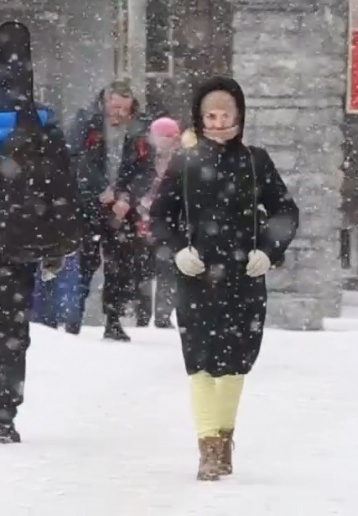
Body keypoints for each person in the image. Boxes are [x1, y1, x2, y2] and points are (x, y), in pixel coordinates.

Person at [150, 77, 299, 480]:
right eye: (210, 116)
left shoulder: (256, 161)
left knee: (235, 359)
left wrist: (269, 251)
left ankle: (224, 437)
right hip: (196, 276)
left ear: (239, 116)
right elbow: (161, 216)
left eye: (225, 115)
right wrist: (179, 249)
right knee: (199, 361)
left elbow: (285, 212)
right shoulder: (184, 163)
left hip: (243, 275)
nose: (218, 123)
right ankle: (209, 446)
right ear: (200, 118)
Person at [0, 83, 72, 443]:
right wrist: (56, 241)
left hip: (16, 239)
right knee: (11, 332)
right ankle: (4, 412)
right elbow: (60, 187)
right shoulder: (39, 121)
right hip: (18, 241)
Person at [67, 81, 154, 341]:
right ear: (105, 101)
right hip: (89, 205)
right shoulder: (86, 122)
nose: (118, 114)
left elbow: (146, 168)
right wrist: (99, 189)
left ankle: (113, 320)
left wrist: (126, 196)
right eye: (114, 107)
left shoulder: (140, 129)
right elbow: (77, 159)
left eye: (124, 109)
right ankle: (74, 319)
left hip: (122, 209)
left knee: (120, 265)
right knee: (85, 262)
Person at [135, 116, 182, 328]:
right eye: (162, 136)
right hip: (139, 217)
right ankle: (142, 314)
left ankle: (162, 315)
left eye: (170, 137)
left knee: (166, 267)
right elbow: (136, 182)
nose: (166, 141)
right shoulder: (142, 156)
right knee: (141, 269)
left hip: (166, 221)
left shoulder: (182, 160)